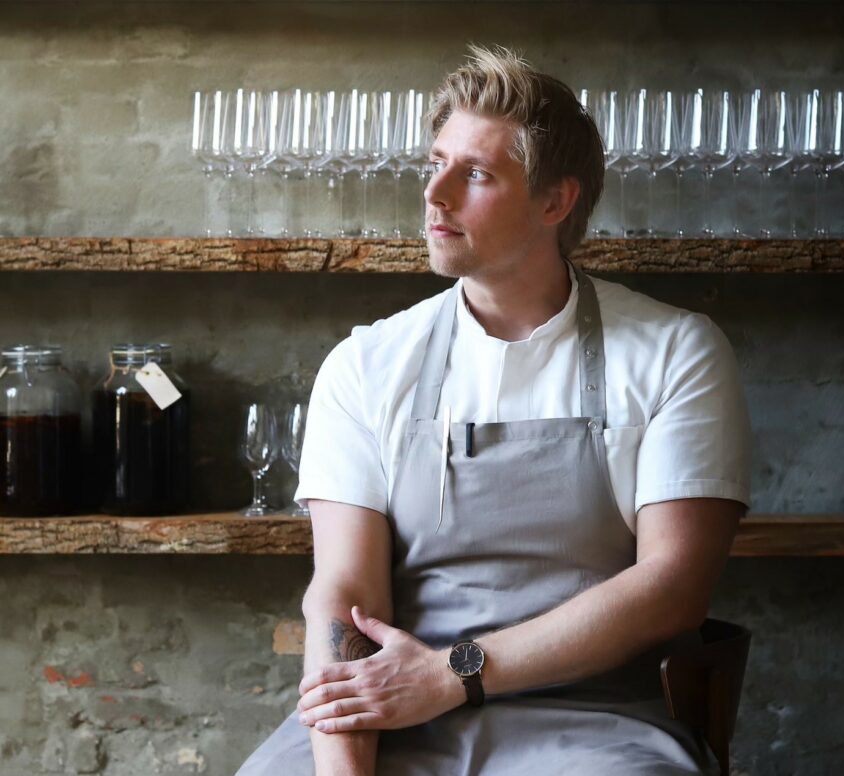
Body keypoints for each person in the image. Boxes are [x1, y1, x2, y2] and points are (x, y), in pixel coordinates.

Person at [237, 46, 752, 776]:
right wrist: (346, 767)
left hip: (597, 722)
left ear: (555, 202)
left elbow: (672, 589)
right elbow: (344, 595)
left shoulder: (675, 353)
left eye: (475, 174)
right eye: (435, 164)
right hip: (393, 707)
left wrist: (452, 673)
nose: (434, 194)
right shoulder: (367, 364)